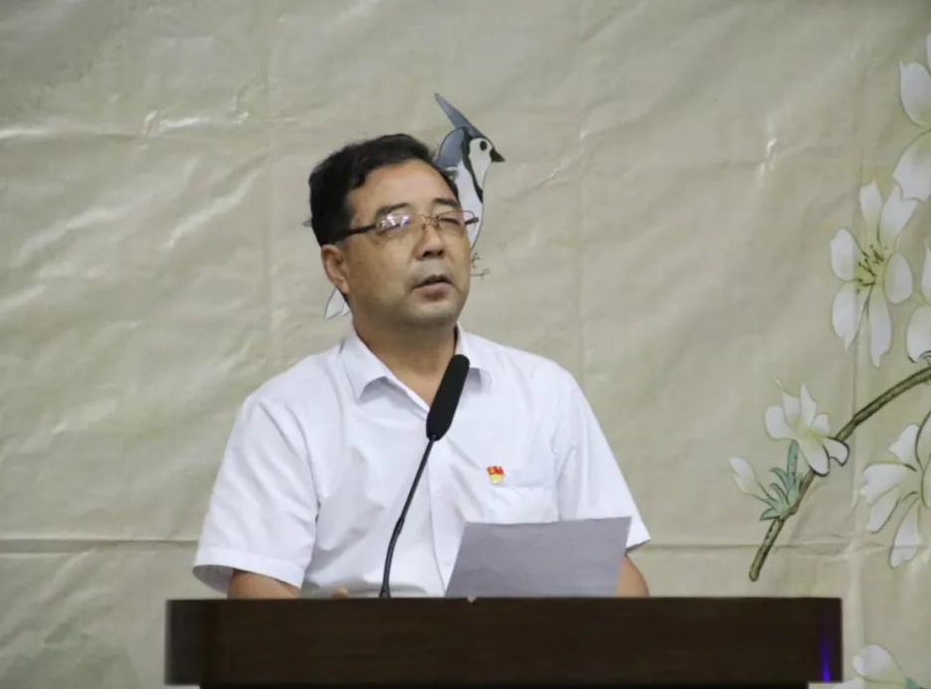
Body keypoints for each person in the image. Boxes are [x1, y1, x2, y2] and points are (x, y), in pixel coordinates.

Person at [192, 133, 650, 598]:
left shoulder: (543, 391)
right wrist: (330, 637)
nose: (433, 243)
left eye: (448, 220)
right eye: (396, 224)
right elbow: (260, 589)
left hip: (522, 645)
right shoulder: (287, 412)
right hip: (357, 646)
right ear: (338, 267)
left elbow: (615, 577)